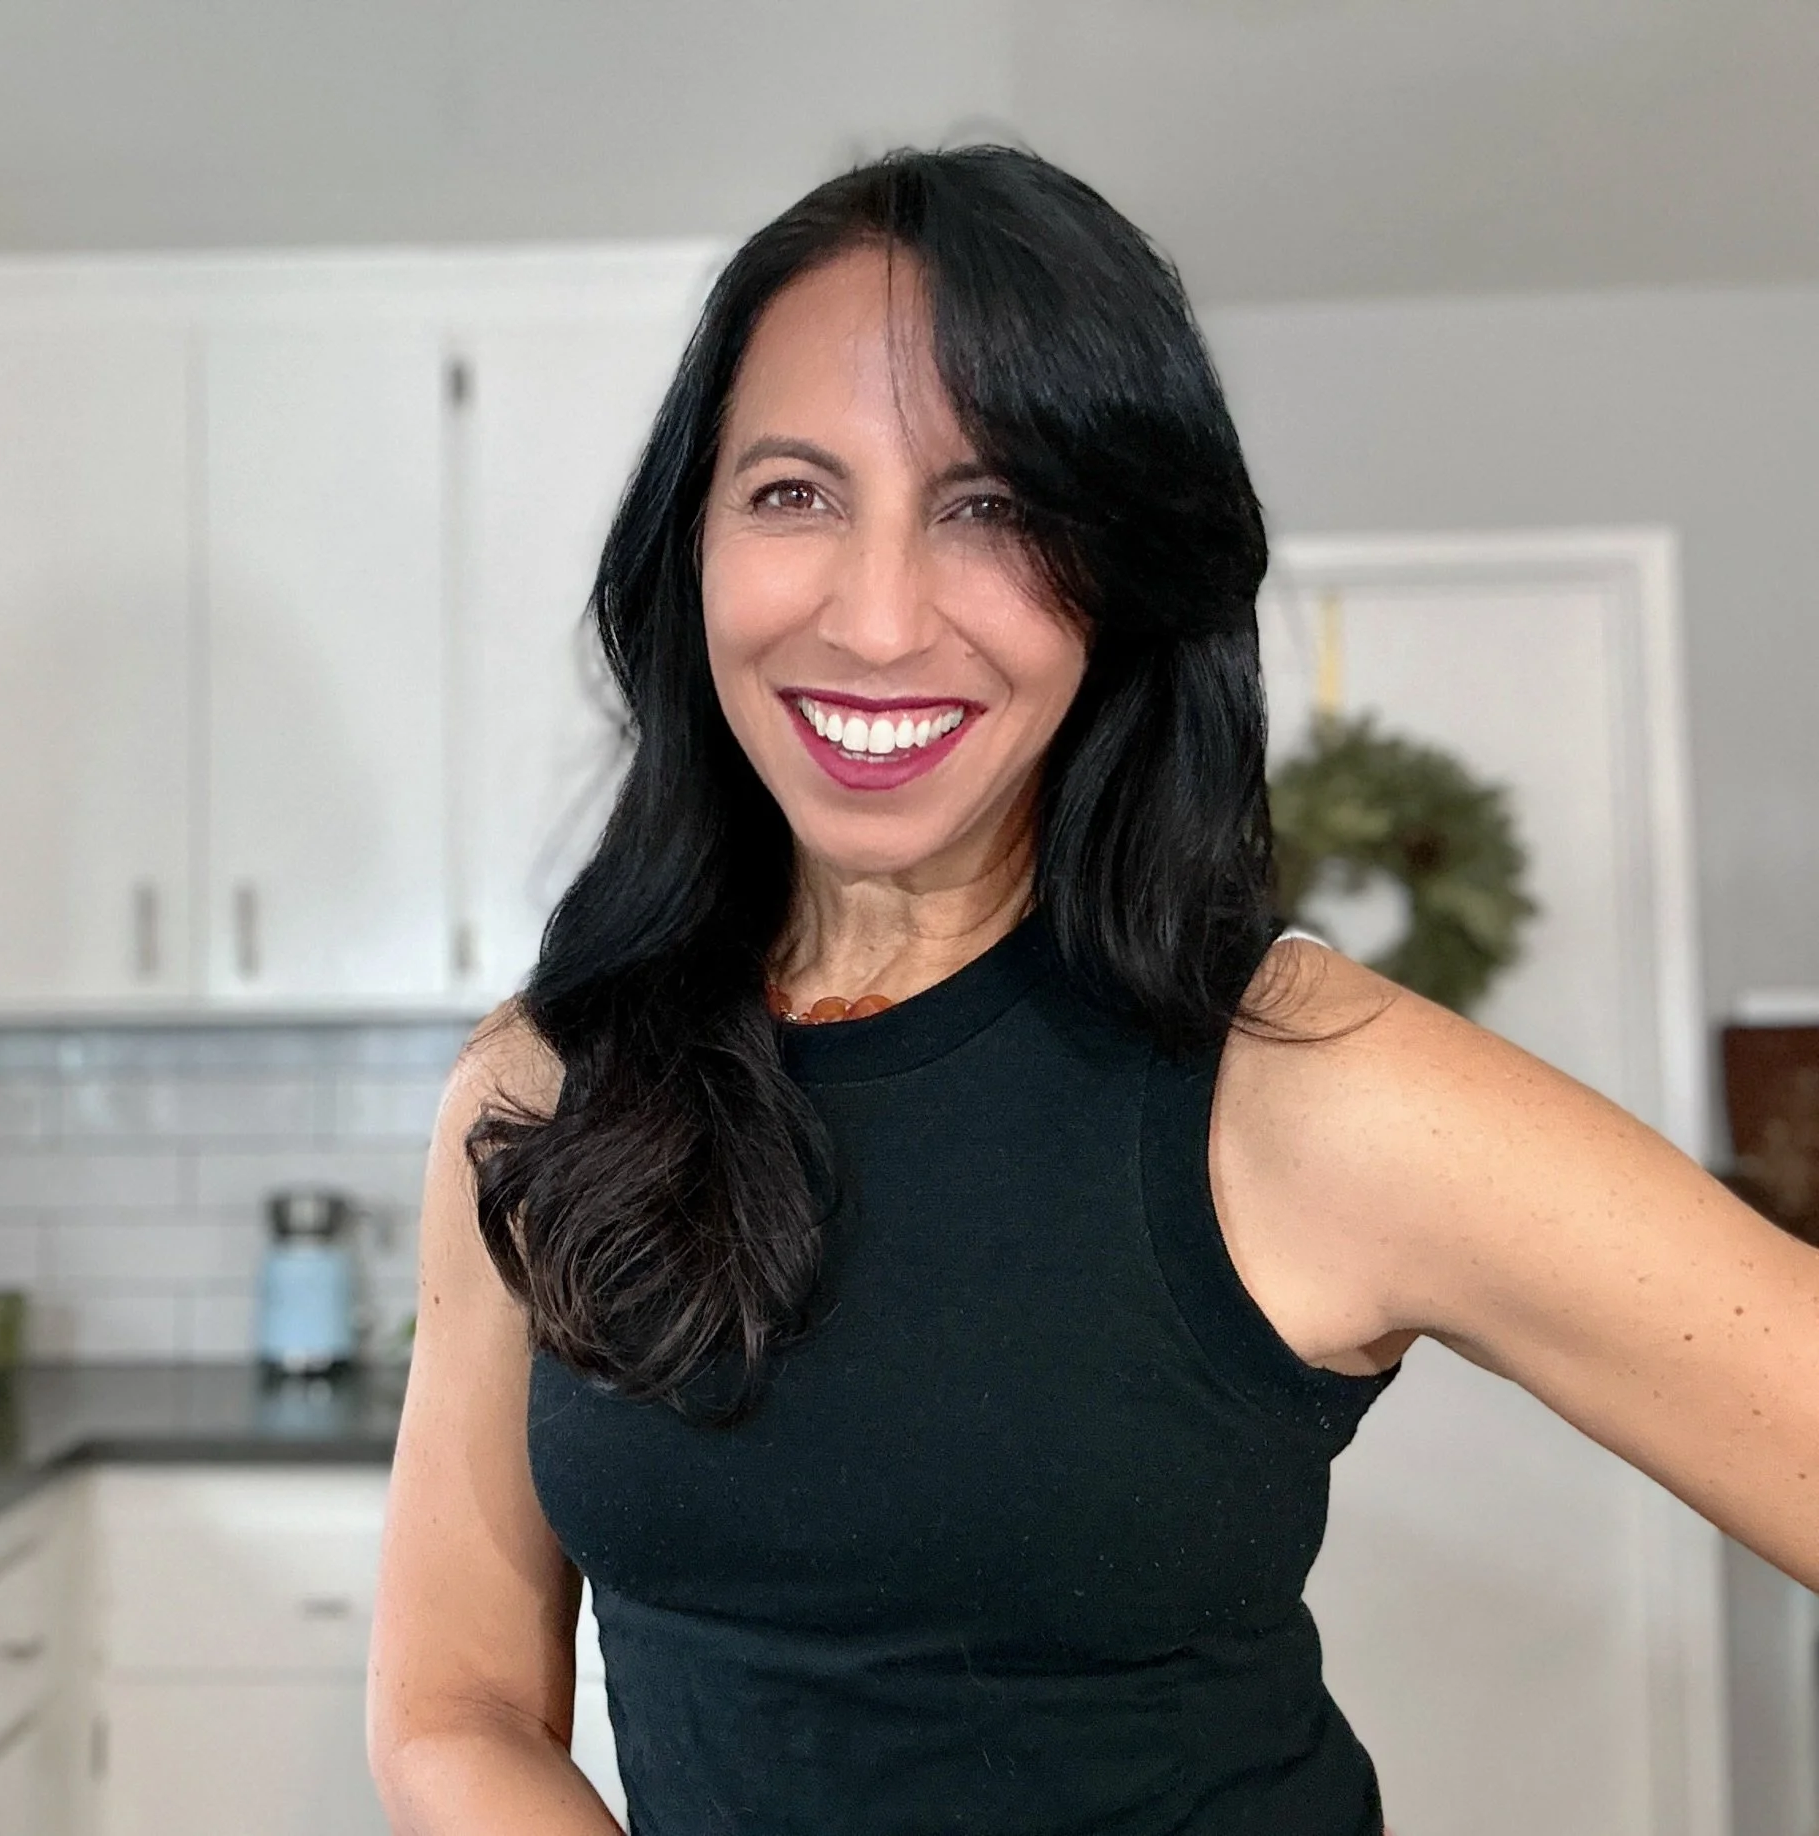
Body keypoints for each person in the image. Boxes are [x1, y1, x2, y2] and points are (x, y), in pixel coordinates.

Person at [365, 146, 1819, 1835]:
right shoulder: (546, 1090)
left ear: (1120, 575)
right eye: (793, 493)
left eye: (993, 509)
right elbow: (452, 1705)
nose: (882, 616)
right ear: (688, 549)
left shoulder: (1299, 1086)